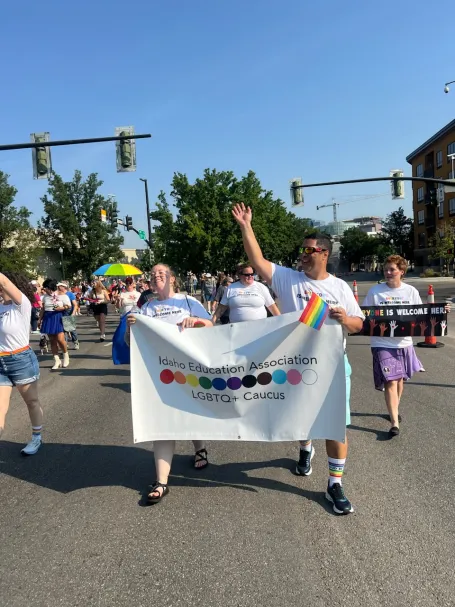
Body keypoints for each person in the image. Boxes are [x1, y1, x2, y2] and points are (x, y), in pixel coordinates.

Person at [232, 202, 364, 515]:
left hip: (332, 366)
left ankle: (334, 484)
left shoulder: (340, 287)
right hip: (296, 367)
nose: (302, 255)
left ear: (324, 253)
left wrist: (345, 320)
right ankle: (305, 448)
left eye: (308, 250)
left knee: (335, 426)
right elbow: (258, 261)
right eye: (302, 250)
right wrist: (246, 226)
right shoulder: (289, 279)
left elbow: (359, 325)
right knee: (301, 418)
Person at [126, 263, 213, 505]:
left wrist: (194, 321)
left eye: (161, 273)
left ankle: (200, 448)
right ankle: (162, 481)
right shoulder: (147, 307)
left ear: (172, 279)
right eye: (153, 275)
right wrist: (130, 328)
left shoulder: (188, 301)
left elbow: (211, 327)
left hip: (190, 370)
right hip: (161, 373)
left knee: (192, 413)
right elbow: (132, 343)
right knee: (163, 422)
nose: (156, 277)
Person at [362, 255, 449, 437]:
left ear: (402, 271)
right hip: (381, 343)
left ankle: (394, 408)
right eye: (386, 269)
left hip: (404, 343)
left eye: (392, 269)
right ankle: (394, 422)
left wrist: (440, 311)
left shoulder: (410, 291)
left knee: (400, 380)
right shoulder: (375, 292)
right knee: (391, 380)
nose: (387, 272)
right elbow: (365, 315)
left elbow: (421, 313)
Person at [0, 272, 44, 454]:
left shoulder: (22, 304)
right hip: (1, 362)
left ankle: (36, 438)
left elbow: (3, 280)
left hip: (20, 360)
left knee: (32, 401)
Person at [212, 263, 280, 324]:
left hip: (260, 328)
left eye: (252, 274)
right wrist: (212, 322)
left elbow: (272, 307)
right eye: (247, 275)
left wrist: (281, 321)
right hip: (237, 329)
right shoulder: (230, 288)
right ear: (239, 275)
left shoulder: (261, 287)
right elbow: (221, 308)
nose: (250, 276)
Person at [39, 278, 71, 370]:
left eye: (46, 288)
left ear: (51, 287)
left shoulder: (62, 295)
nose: (45, 290)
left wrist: (61, 308)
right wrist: (40, 319)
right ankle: (57, 360)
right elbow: (43, 309)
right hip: (48, 317)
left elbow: (68, 306)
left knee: (60, 339)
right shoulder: (45, 297)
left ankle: (66, 355)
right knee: (52, 340)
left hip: (58, 317)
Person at [58, 282, 80, 350]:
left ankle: (76, 342)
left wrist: (73, 312)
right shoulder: (57, 294)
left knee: (71, 329)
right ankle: (65, 344)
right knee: (62, 331)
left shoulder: (69, 294)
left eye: (60, 286)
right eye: (58, 286)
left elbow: (75, 304)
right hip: (60, 314)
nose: (58, 287)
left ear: (64, 287)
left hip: (68, 313)